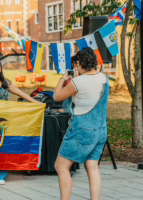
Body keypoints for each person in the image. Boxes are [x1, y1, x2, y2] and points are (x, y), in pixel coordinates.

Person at [53, 47, 109, 200]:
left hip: (82, 130)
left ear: (78, 63)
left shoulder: (78, 82)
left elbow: (57, 96)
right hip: (100, 129)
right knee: (92, 166)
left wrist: (63, 79)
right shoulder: (104, 78)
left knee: (61, 166)